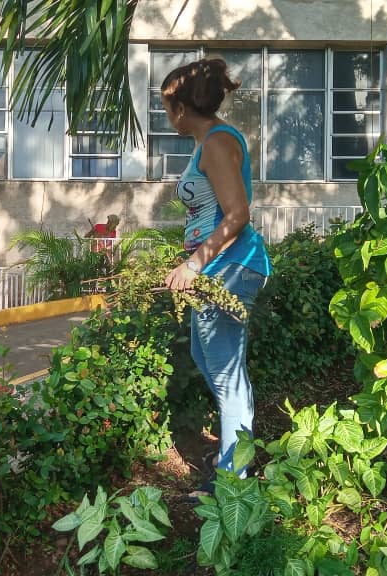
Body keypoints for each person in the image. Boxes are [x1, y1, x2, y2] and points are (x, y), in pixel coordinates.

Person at [159, 59, 272, 490]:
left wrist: (193, 263)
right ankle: (236, 449)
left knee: (226, 375)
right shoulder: (207, 141)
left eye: (168, 107)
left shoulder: (218, 143)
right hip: (216, 268)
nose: (168, 116)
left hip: (229, 268)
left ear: (183, 108)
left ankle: (233, 479)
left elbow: (238, 214)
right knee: (211, 360)